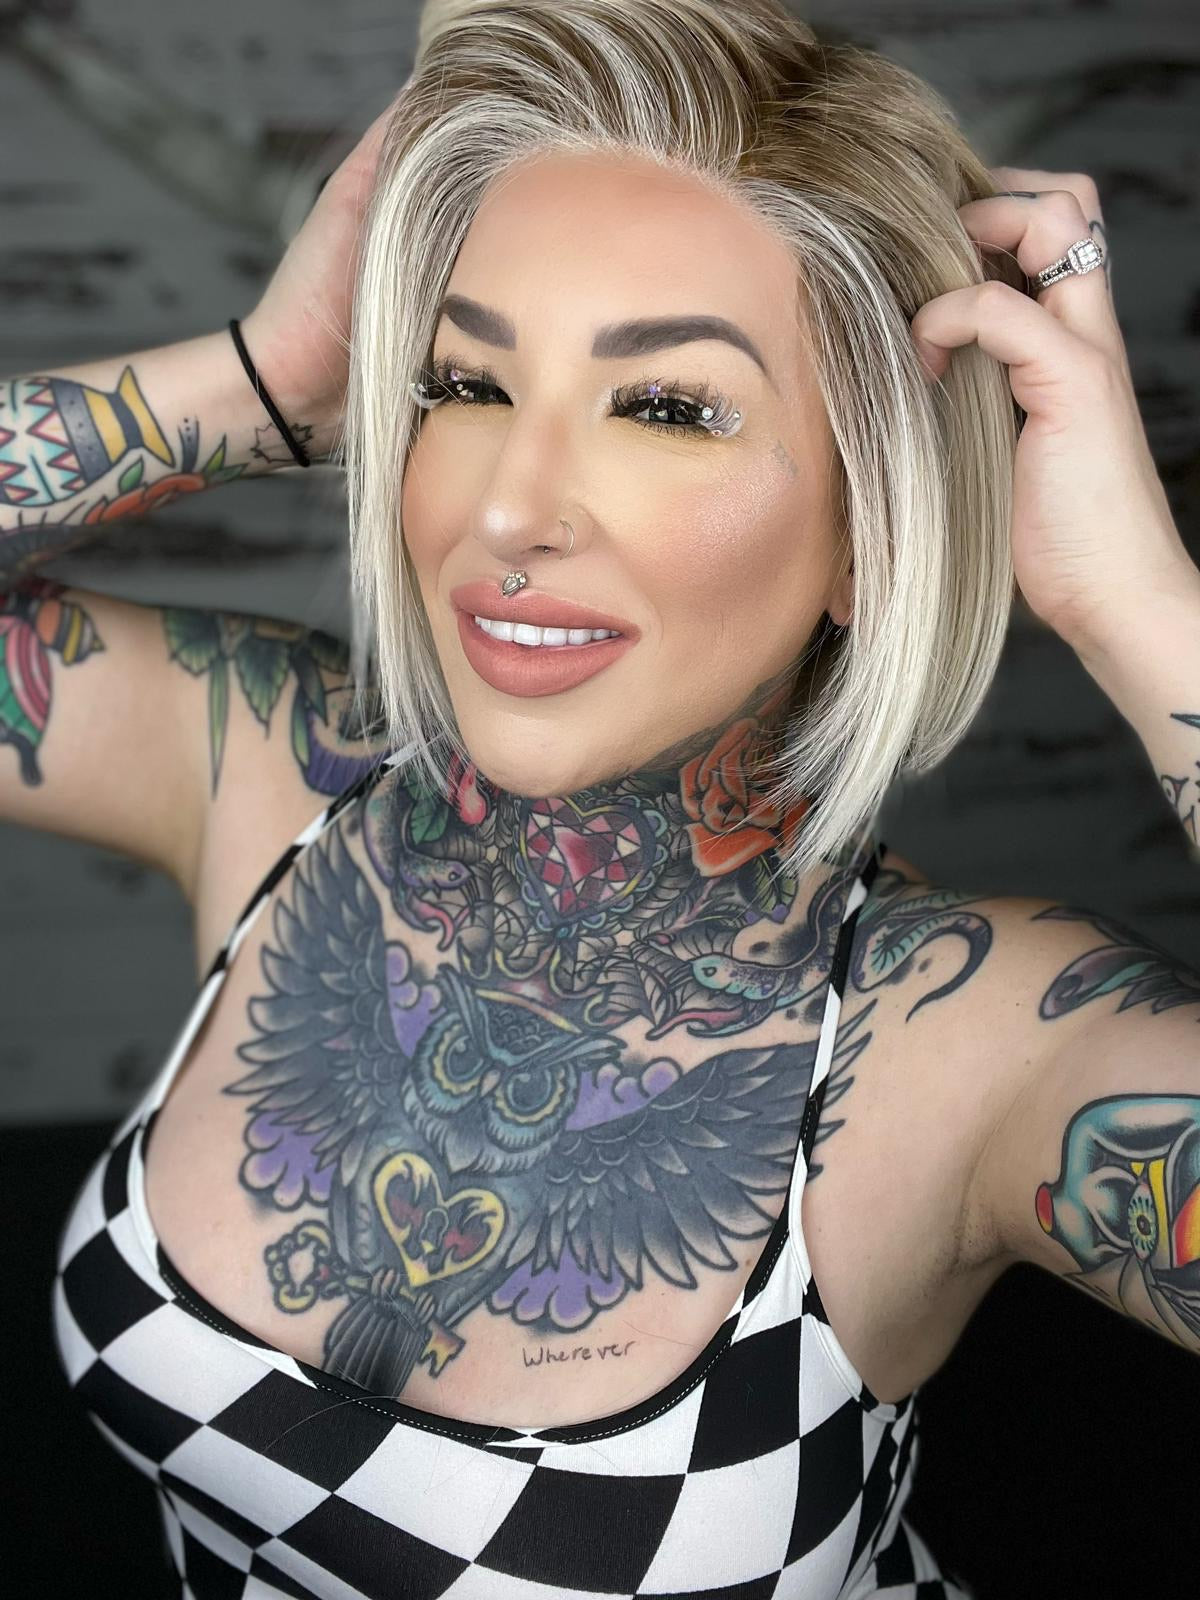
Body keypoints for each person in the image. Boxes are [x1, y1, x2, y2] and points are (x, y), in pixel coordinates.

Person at [5, 1, 1196, 1595]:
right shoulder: (267, 767)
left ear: (872, 523)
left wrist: (1138, 605)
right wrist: (260, 381)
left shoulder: (967, 1035)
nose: (509, 506)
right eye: (464, 381)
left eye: (666, 407)